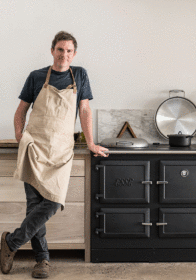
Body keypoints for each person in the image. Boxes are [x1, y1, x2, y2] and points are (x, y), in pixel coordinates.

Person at [0, 31, 109, 278]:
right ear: (52, 51)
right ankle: (42, 261)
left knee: (53, 202)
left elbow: (84, 110)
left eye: (69, 51)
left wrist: (90, 143)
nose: (64, 54)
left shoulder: (79, 75)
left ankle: (11, 243)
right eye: (60, 49)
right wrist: (21, 137)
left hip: (61, 151)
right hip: (34, 149)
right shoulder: (36, 76)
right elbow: (21, 112)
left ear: (74, 54)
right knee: (34, 206)